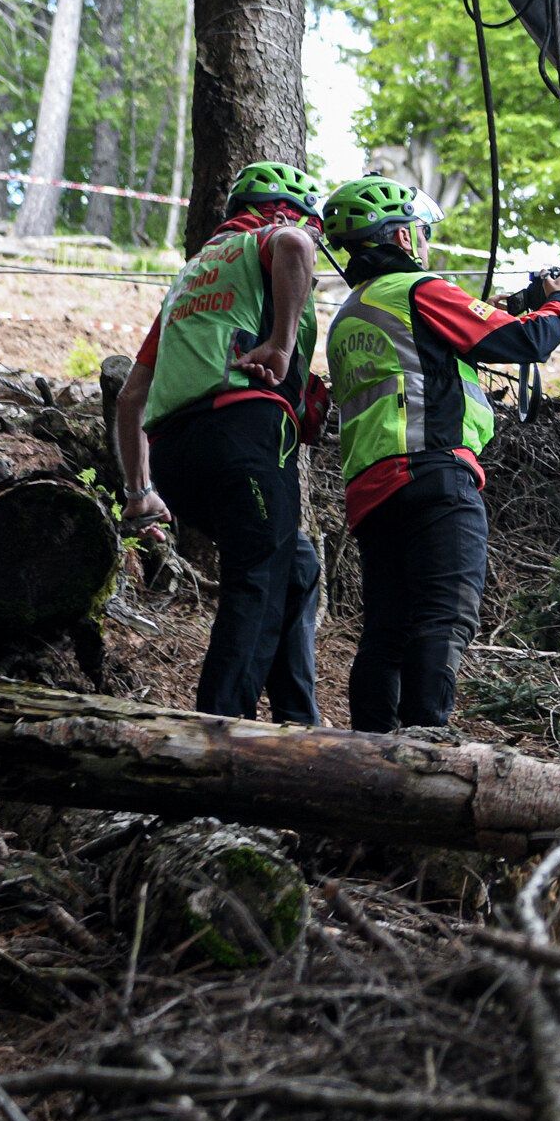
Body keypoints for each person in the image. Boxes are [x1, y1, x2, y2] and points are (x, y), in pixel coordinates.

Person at [319, 175, 560, 732]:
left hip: (372, 492)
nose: (425, 243)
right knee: (445, 616)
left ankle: (368, 752)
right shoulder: (417, 288)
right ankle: (427, 742)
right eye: (419, 232)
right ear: (402, 239)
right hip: (434, 475)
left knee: (386, 631)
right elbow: (520, 342)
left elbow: (445, 340)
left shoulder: (349, 315)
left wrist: (519, 304)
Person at [114, 161, 330, 723]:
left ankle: (297, 720)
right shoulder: (273, 236)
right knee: (257, 577)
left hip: (177, 457)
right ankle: (220, 730)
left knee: (297, 562)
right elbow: (290, 245)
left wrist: (139, 491)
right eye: (314, 227)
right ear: (286, 212)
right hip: (244, 435)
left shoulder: (190, 282)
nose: (315, 242)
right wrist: (283, 345)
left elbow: (131, 397)